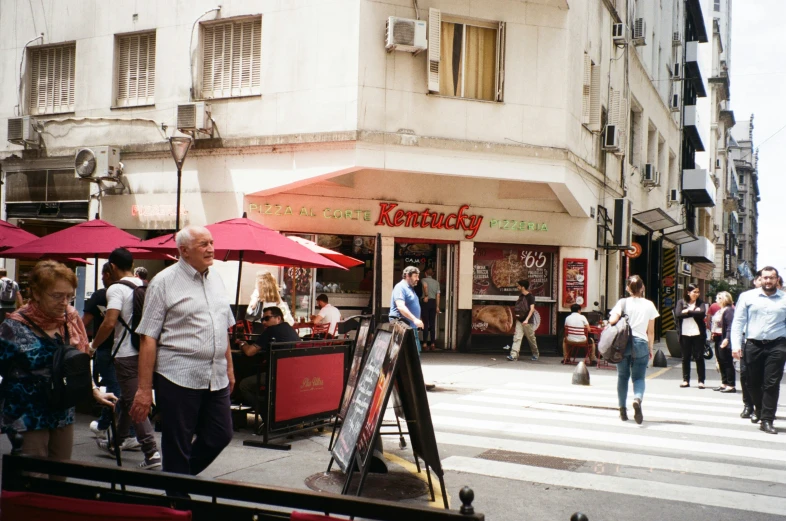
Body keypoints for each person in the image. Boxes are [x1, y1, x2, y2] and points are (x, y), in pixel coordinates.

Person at [131, 225, 236, 478]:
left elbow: (222, 327)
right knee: (177, 442)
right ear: (184, 251)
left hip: (215, 375)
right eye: (203, 244)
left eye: (211, 242)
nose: (210, 248)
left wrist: (230, 368)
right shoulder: (163, 282)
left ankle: (178, 478)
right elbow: (148, 337)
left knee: (221, 434)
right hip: (177, 374)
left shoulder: (217, 278)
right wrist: (144, 389)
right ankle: (176, 502)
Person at [0, 260, 116, 466]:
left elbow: (76, 364)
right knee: (33, 480)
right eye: (56, 296)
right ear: (36, 293)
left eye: (69, 296)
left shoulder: (69, 319)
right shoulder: (13, 327)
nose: (64, 302)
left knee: (60, 476)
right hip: (27, 414)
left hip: (62, 411)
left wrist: (93, 390)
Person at [90, 248, 160, 469]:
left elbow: (109, 322)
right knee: (131, 399)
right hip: (149, 351)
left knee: (132, 401)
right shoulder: (145, 285)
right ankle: (116, 443)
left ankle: (151, 453)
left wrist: (93, 345)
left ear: (112, 266)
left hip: (126, 354)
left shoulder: (117, 289)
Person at [731, 266, 786, 435]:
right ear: (760, 279)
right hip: (753, 344)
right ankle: (760, 410)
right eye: (765, 277)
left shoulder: (784, 298)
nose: (768, 281)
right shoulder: (747, 297)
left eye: (772, 278)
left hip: (777, 345)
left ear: (777, 279)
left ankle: (767, 419)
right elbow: (738, 322)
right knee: (752, 382)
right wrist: (736, 345)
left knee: (772, 383)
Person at [609, 275, 659, 424]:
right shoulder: (649, 305)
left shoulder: (622, 303)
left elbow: (612, 321)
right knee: (638, 378)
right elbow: (651, 331)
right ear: (642, 288)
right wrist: (651, 348)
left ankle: (622, 410)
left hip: (623, 344)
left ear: (627, 289)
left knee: (622, 377)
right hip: (641, 343)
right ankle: (637, 398)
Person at [237, 306, 300, 421]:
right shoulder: (289, 329)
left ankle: (265, 411)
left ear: (278, 318)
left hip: (277, 375)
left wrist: (241, 344)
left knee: (244, 385)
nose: (264, 322)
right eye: (262, 319)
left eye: (267, 318)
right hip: (293, 374)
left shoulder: (271, 330)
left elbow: (250, 352)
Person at [82, 263, 122, 439]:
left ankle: (107, 424)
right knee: (122, 387)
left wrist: (88, 345)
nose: (101, 278)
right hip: (126, 348)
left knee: (113, 387)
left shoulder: (99, 295)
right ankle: (125, 429)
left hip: (105, 348)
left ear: (107, 274)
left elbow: (83, 323)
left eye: (102, 274)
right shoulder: (130, 293)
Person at [389, 266, 433, 390]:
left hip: (409, 327)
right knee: (408, 355)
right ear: (407, 276)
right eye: (415, 276)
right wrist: (414, 319)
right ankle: (414, 383)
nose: (417, 279)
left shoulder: (410, 289)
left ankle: (415, 382)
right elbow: (400, 306)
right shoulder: (400, 287)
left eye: (418, 276)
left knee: (412, 355)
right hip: (402, 325)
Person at [675, 284, 707, 389]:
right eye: (694, 292)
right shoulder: (681, 302)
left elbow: (702, 313)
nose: (696, 294)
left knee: (699, 357)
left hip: (698, 334)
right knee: (685, 358)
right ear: (688, 292)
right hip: (684, 333)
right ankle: (685, 380)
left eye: (698, 292)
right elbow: (678, 314)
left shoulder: (700, 303)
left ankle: (701, 381)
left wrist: (688, 311)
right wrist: (694, 312)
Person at [508, 279, 539, 362]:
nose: (517, 287)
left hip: (527, 322)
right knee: (517, 338)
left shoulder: (531, 297)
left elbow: (532, 309)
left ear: (523, 287)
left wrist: (526, 319)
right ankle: (513, 355)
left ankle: (535, 353)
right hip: (520, 320)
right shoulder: (521, 296)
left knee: (531, 339)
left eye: (518, 286)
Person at [712, 291, 736, 393]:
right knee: (720, 361)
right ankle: (724, 383)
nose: (716, 300)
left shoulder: (729, 310)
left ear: (724, 299)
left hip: (724, 338)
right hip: (717, 337)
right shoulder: (720, 310)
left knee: (727, 361)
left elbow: (730, 326)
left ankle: (731, 385)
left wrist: (727, 338)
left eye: (718, 298)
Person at [420, 267, 441, 351]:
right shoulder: (436, 283)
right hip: (433, 303)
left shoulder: (423, 280)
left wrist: (426, 296)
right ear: (432, 274)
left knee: (425, 323)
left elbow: (425, 287)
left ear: (425, 273)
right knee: (432, 324)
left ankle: (425, 343)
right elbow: (438, 295)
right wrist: (437, 306)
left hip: (425, 302)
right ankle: (432, 343)